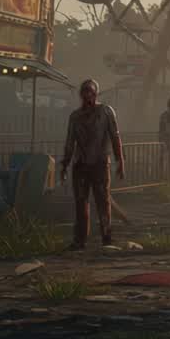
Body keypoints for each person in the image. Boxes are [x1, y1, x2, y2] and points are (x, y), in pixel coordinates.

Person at [60, 79, 125, 250]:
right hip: (80, 165)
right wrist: (65, 164)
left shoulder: (105, 112)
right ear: (81, 94)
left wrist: (120, 161)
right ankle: (80, 240)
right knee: (81, 203)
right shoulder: (75, 117)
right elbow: (69, 143)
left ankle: (106, 236)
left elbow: (115, 136)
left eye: (90, 91)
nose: (87, 95)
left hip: (100, 164)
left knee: (103, 202)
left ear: (95, 93)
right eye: (85, 92)